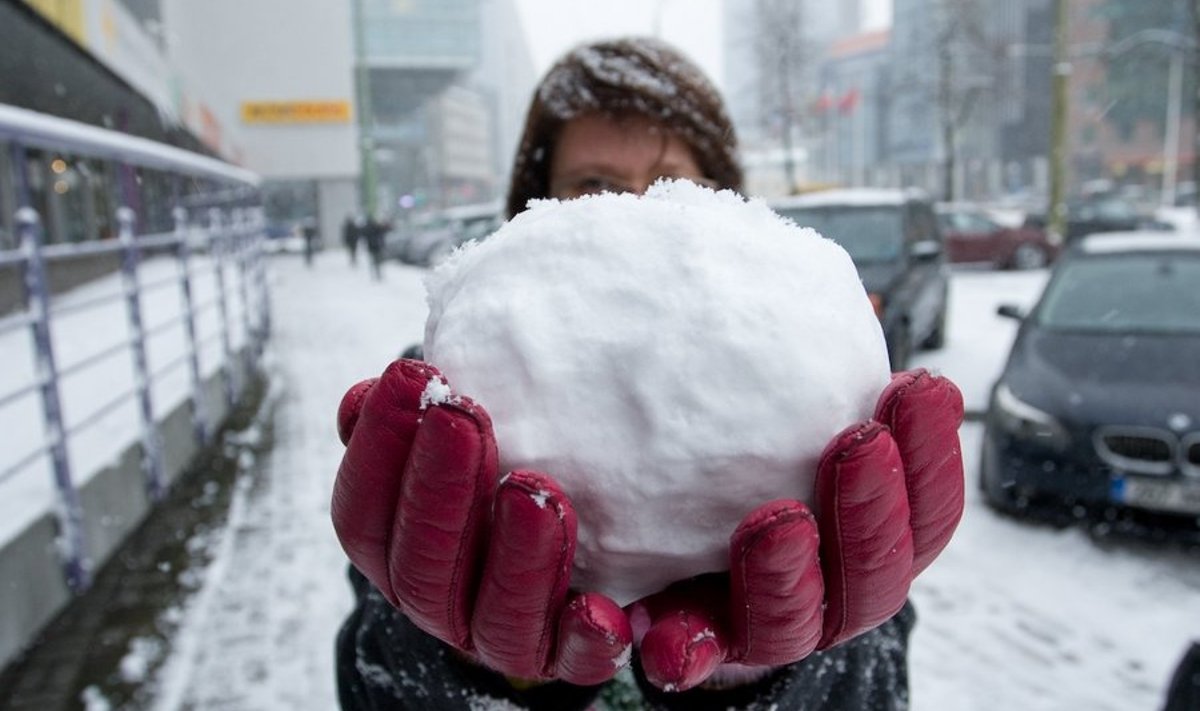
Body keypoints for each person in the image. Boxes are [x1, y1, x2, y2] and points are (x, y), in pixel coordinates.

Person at [332, 37, 965, 710]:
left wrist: (764, 669)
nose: (635, 211)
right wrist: (473, 664)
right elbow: (369, 669)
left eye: (673, 183)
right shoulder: (450, 403)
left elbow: (880, 684)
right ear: (535, 208)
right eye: (593, 187)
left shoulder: (806, 394)